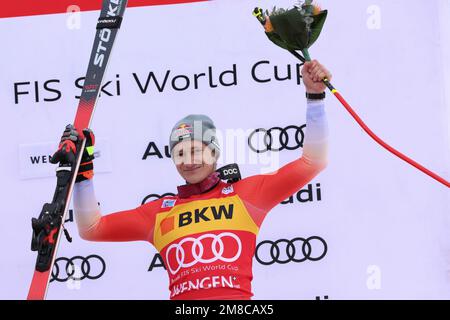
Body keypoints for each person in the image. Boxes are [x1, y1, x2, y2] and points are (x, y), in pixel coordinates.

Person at [51, 60, 331, 300]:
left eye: (196, 150)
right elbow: (92, 228)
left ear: (215, 153)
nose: (188, 160)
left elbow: (312, 162)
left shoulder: (246, 195)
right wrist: (83, 174)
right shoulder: (159, 213)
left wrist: (314, 97)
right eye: (180, 153)